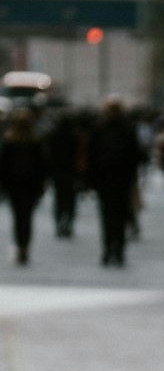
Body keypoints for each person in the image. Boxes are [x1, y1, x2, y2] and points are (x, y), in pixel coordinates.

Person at [87, 98, 141, 267]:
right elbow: (135, 156)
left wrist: (91, 181)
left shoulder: (99, 128)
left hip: (105, 181)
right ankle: (119, 249)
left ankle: (108, 248)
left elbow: (92, 157)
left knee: (107, 217)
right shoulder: (128, 129)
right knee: (121, 216)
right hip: (123, 180)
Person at [0, 109, 48, 264]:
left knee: (17, 217)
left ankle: (20, 245)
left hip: (14, 186)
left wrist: (4, 186)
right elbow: (42, 166)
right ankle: (25, 245)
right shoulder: (35, 141)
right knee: (27, 218)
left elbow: (3, 166)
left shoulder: (10, 141)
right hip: (30, 186)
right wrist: (41, 186)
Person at [45, 109, 82, 238]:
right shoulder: (74, 136)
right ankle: (68, 222)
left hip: (58, 173)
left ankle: (59, 222)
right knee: (70, 200)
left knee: (59, 199)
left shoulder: (53, 135)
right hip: (71, 173)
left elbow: (49, 156)